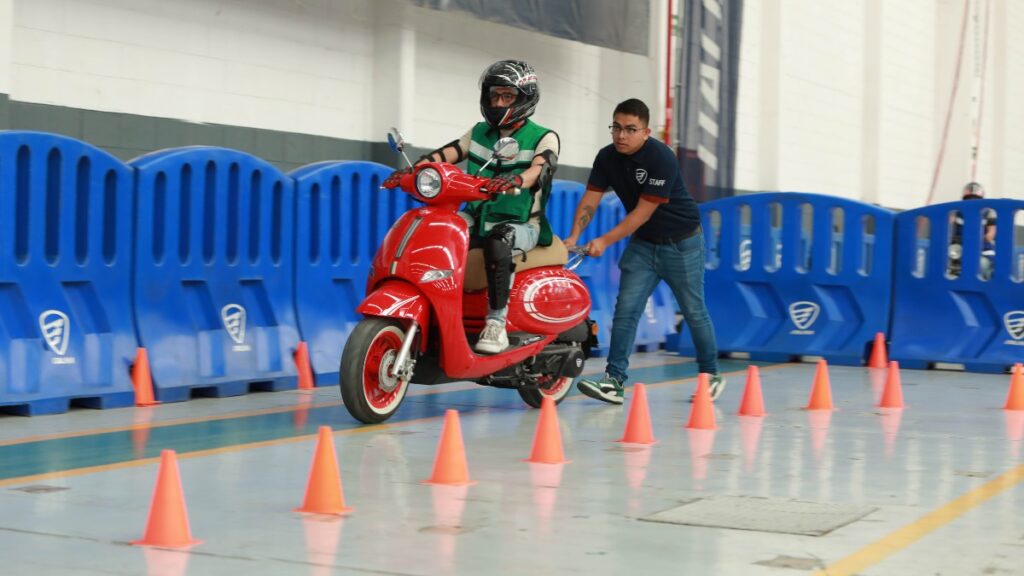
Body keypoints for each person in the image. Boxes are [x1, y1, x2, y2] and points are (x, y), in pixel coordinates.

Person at [382, 60, 560, 354]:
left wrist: (517, 178)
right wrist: (413, 172)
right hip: (478, 216)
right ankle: (437, 310)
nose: (499, 102)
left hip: (523, 223)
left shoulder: (543, 136)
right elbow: (447, 154)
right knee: (435, 229)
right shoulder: (479, 132)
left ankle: (496, 323)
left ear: (524, 98)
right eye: (494, 96)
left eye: (507, 96)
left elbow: (540, 168)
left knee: (499, 240)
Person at [566, 98, 724, 405]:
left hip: (683, 243)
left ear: (646, 132)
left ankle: (710, 375)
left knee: (694, 311)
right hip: (644, 246)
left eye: (630, 129)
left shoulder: (661, 158)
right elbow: (590, 199)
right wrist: (574, 235)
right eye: (616, 127)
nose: (621, 135)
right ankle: (614, 382)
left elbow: (642, 213)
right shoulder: (606, 157)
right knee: (625, 310)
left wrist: (604, 241)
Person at [948, 182, 996, 279]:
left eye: (975, 199)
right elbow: (948, 225)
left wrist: (984, 237)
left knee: (981, 265)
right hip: (959, 250)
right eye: (969, 199)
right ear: (964, 200)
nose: (972, 202)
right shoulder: (958, 212)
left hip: (983, 251)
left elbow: (991, 233)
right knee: (948, 264)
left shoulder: (988, 213)